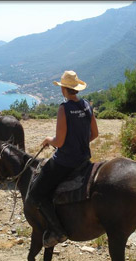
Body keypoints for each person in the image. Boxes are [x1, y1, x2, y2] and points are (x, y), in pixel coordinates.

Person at [26, 70, 99, 248]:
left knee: (36, 194)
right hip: (84, 160)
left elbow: (59, 142)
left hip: (65, 162)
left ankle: (58, 231)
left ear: (63, 89)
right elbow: (95, 134)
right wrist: (80, 142)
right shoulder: (87, 105)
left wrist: (47, 140)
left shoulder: (64, 108)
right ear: (77, 89)